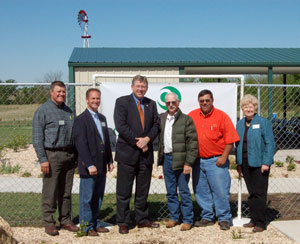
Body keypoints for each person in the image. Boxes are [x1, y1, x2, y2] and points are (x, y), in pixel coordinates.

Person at [114, 75, 160, 234]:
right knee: (124, 191)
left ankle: (142, 219)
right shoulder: (122, 102)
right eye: (138, 86)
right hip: (127, 153)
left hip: (145, 155)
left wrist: (147, 139)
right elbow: (120, 126)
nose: (141, 89)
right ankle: (123, 222)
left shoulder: (151, 104)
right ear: (132, 87)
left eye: (143, 86)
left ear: (146, 88)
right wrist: (138, 142)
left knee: (143, 190)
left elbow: (156, 125)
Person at [32, 81, 79, 236]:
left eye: (64, 92)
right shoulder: (43, 111)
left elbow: (74, 135)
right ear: (51, 92)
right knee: (50, 191)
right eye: (58, 91)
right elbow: (38, 138)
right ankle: (49, 222)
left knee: (66, 191)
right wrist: (43, 159)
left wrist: (76, 156)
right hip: (52, 156)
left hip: (69, 155)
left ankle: (65, 220)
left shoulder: (68, 110)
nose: (61, 94)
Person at [188, 89, 240, 231]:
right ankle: (207, 216)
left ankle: (224, 218)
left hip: (216, 160)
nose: (204, 103)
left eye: (207, 100)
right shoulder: (192, 116)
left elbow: (230, 140)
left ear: (212, 101)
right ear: (199, 102)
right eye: (202, 101)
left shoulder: (221, 116)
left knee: (220, 191)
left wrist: (224, 157)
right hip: (198, 161)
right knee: (201, 190)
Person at [73, 88, 114, 236]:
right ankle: (86, 227)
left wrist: (109, 159)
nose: (96, 101)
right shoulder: (80, 120)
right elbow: (81, 145)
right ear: (87, 100)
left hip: (102, 164)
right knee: (87, 198)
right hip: (89, 167)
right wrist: (89, 164)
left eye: (98, 98)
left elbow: (106, 141)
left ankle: (96, 223)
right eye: (93, 99)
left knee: (98, 196)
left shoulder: (102, 118)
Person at [157, 93, 198, 231]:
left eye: (173, 102)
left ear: (178, 102)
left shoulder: (186, 120)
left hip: (181, 161)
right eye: (168, 102)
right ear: (165, 104)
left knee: (184, 191)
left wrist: (189, 163)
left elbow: (192, 143)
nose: (171, 105)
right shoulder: (162, 118)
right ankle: (174, 217)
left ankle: (187, 219)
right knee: (171, 191)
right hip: (167, 159)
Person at [236, 94, 275, 232]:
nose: (248, 109)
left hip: (259, 163)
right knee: (251, 193)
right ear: (242, 108)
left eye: (251, 106)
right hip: (245, 163)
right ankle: (253, 219)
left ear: (255, 107)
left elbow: (270, 144)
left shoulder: (263, 122)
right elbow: (238, 144)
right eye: (245, 106)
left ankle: (261, 223)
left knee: (259, 193)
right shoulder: (240, 124)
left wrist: (266, 162)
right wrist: (238, 163)